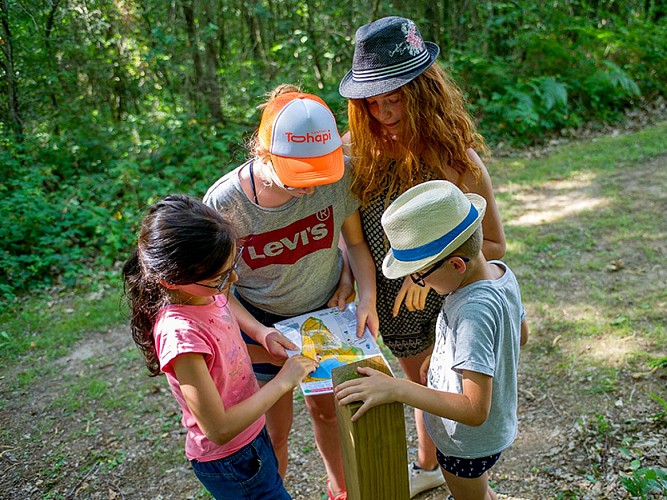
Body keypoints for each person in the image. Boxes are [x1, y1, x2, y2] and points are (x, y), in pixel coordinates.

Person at [339, 16, 506, 497]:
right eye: (372, 102)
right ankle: (428, 464)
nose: (385, 114)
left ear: (423, 91)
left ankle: (455, 470)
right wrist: (350, 281)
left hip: (447, 296)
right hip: (392, 305)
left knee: (445, 391)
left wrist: (424, 273)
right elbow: (354, 239)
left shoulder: (456, 158)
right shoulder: (355, 154)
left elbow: (492, 247)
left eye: (396, 99)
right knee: (418, 380)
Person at [204, 85, 378, 500]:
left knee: (328, 412)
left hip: (326, 314)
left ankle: (342, 492)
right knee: (271, 429)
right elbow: (218, 290)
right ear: (264, 153)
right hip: (261, 323)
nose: (310, 189)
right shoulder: (224, 205)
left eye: (320, 176)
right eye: (300, 177)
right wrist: (260, 333)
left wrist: (363, 293)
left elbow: (354, 242)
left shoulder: (340, 177)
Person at [336, 180, 529, 500]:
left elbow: (473, 409)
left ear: (455, 264)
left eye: (420, 275)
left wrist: (397, 388)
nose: (418, 282)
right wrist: (442, 357)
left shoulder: (472, 311)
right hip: (487, 435)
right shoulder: (499, 273)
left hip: (465, 445)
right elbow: (520, 335)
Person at [122, 194, 318, 499]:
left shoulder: (207, 295)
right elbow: (218, 428)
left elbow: (226, 355)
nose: (233, 279)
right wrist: (283, 381)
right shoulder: (180, 336)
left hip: (252, 435)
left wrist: (268, 353)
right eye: (219, 276)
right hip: (232, 460)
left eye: (232, 266)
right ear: (172, 280)